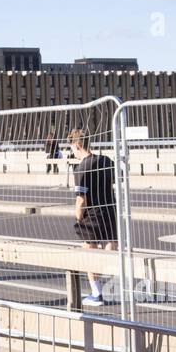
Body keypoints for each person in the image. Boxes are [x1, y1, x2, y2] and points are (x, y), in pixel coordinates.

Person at [68, 128, 118, 307]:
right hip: (110, 210)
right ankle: (108, 276)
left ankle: (97, 293)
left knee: (89, 252)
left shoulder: (81, 168)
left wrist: (78, 217)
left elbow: (81, 199)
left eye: (72, 148)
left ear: (77, 145)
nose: (72, 152)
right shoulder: (106, 160)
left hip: (92, 214)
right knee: (110, 243)